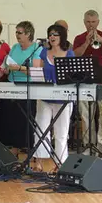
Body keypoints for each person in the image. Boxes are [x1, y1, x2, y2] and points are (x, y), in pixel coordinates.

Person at [73, 9, 102, 157]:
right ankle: (89, 147)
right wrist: (87, 42)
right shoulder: (80, 38)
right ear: (84, 22)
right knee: (86, 117)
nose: (91, 25)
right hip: (85, 82)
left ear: (98, 22)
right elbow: (76, 54)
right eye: (88, 22)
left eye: (93, 22)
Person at [33, 24, 75, 172]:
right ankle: (38, 162)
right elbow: (35, 69)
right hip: (45, 97)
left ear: (62, 37)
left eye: (56, 34)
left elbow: (73, 77)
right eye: (50, 34)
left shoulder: (69, 54)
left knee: (61, 132)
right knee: (41, 129)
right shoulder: (43, 52)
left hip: (63, 98)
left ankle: (60, 164)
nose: (52, 37)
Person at [0, 21, 42, 157]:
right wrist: (5, 69)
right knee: (11, 117)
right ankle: (13, 148)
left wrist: (18, 68)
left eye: (20, 32)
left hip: (28, 87)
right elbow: (8, 64)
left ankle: (27, 147)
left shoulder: (37, 49)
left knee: (25, 118)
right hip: (12, 84)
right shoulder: (15, 47)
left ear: (28, 34)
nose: (17, 35)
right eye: (16, 32)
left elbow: (36, 71)